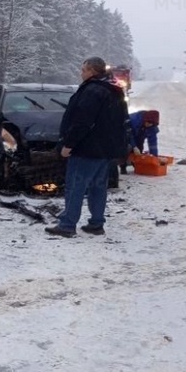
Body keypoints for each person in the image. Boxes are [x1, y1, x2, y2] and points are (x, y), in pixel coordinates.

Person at [45, 57, 129, 238]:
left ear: (92, 71)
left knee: (75, 186)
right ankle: (96, 223)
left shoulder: (92, 91)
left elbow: (82, 122)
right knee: (98, 187)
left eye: (83, 70)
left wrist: (69, 144)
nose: (80, 73)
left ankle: (67, 224)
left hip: (87, 149)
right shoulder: (114, 91)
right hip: (105, 150)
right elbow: (122, 121)